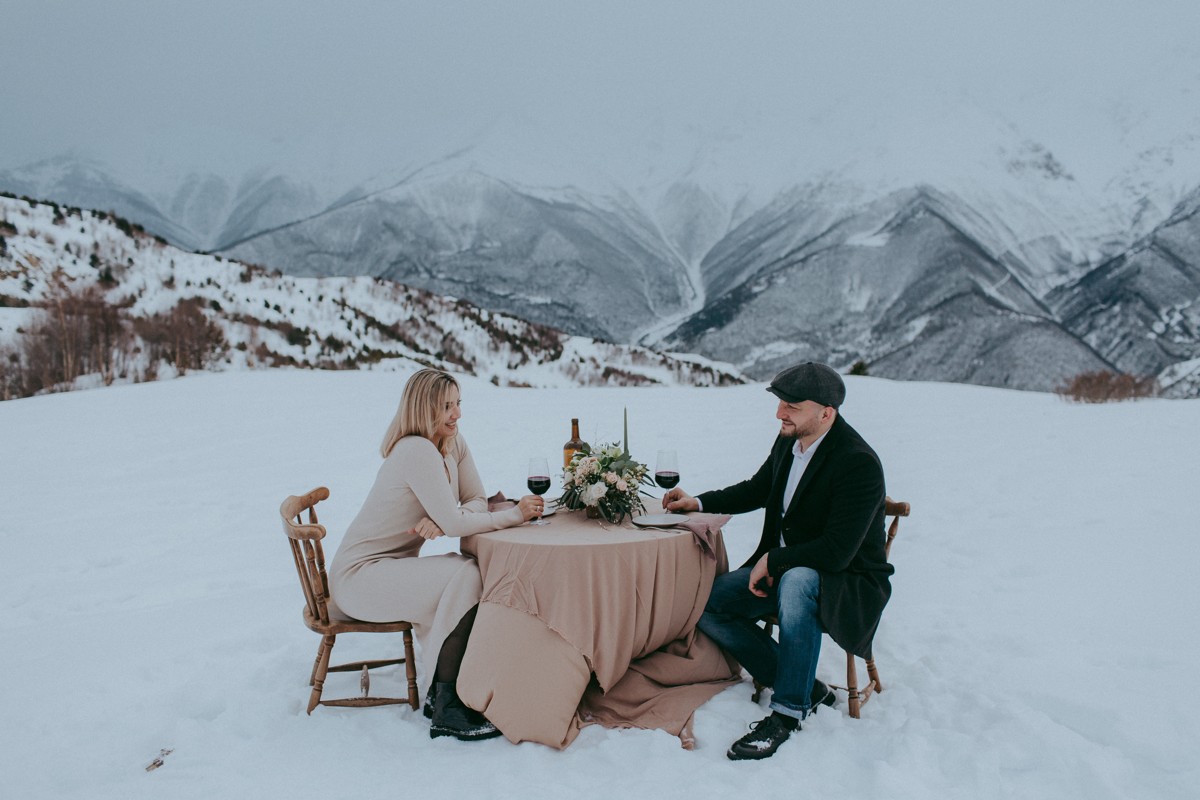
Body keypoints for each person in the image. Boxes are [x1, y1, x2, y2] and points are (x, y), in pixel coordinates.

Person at [663, 361, 893, 760]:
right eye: (780, 403)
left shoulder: (858, 463)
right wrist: (698, 502)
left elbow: (838, 552)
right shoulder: (790, 439)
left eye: (792, 406)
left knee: (800, 580)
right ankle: (803, 686)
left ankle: (787, 712)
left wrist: (775, 560)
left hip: (846, 583)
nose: (779, 414)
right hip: (786, 571)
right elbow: (759, 488)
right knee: (708, 605)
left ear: (826, 412)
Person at [328, 368, 544, 741]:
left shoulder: (452, 443)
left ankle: (442, 690)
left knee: (465, 572)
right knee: (467, 575)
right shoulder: (415, 450)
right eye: (446, 406)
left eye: (458, 403)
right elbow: (459, 521)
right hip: (360, 577)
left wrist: (444, 520)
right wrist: (513, 515)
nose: (456, 414)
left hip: (392, 569)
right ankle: (447, 705)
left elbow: (473, 499)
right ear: (422, 409)